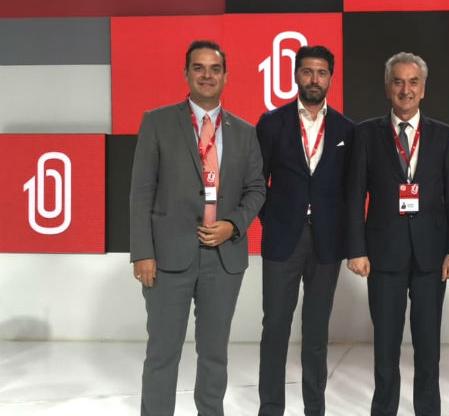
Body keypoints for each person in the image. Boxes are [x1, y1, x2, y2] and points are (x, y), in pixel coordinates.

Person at [129, 39, 265, 416]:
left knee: (214, 355)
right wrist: (142, 253)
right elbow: (141, 192)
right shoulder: (157, 122)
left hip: (223, 259)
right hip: (167, 258)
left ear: (226, 76)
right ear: (186, 73)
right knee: (162, 353)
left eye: (215, 69)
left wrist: (233, 225)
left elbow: (256, 189)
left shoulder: (245, 131)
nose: (207, 75)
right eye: (199, 68)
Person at [345, 51, 449, 416]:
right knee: (386, 347)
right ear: (387, 87)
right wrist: (356, 249)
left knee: (428, 348)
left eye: (413, 82)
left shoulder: (442, 135)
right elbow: (354, 195)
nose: (406, 89)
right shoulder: (365, 134)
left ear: (424, 89)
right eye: (398, 81)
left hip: (432, 257)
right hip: (383, 254)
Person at [256, 45, 355, 416]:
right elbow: (256, 181)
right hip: (283, 240)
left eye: (321, 72)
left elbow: (351, 189)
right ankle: (271, 408)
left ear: (331, 77)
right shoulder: (272, 123)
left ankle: (315, 408)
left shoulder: (346, 129)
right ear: (296, 75)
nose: (314, 79)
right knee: (275, 328)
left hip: (327, 243)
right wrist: (274, 219)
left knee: (316, 332)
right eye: (308, 71)